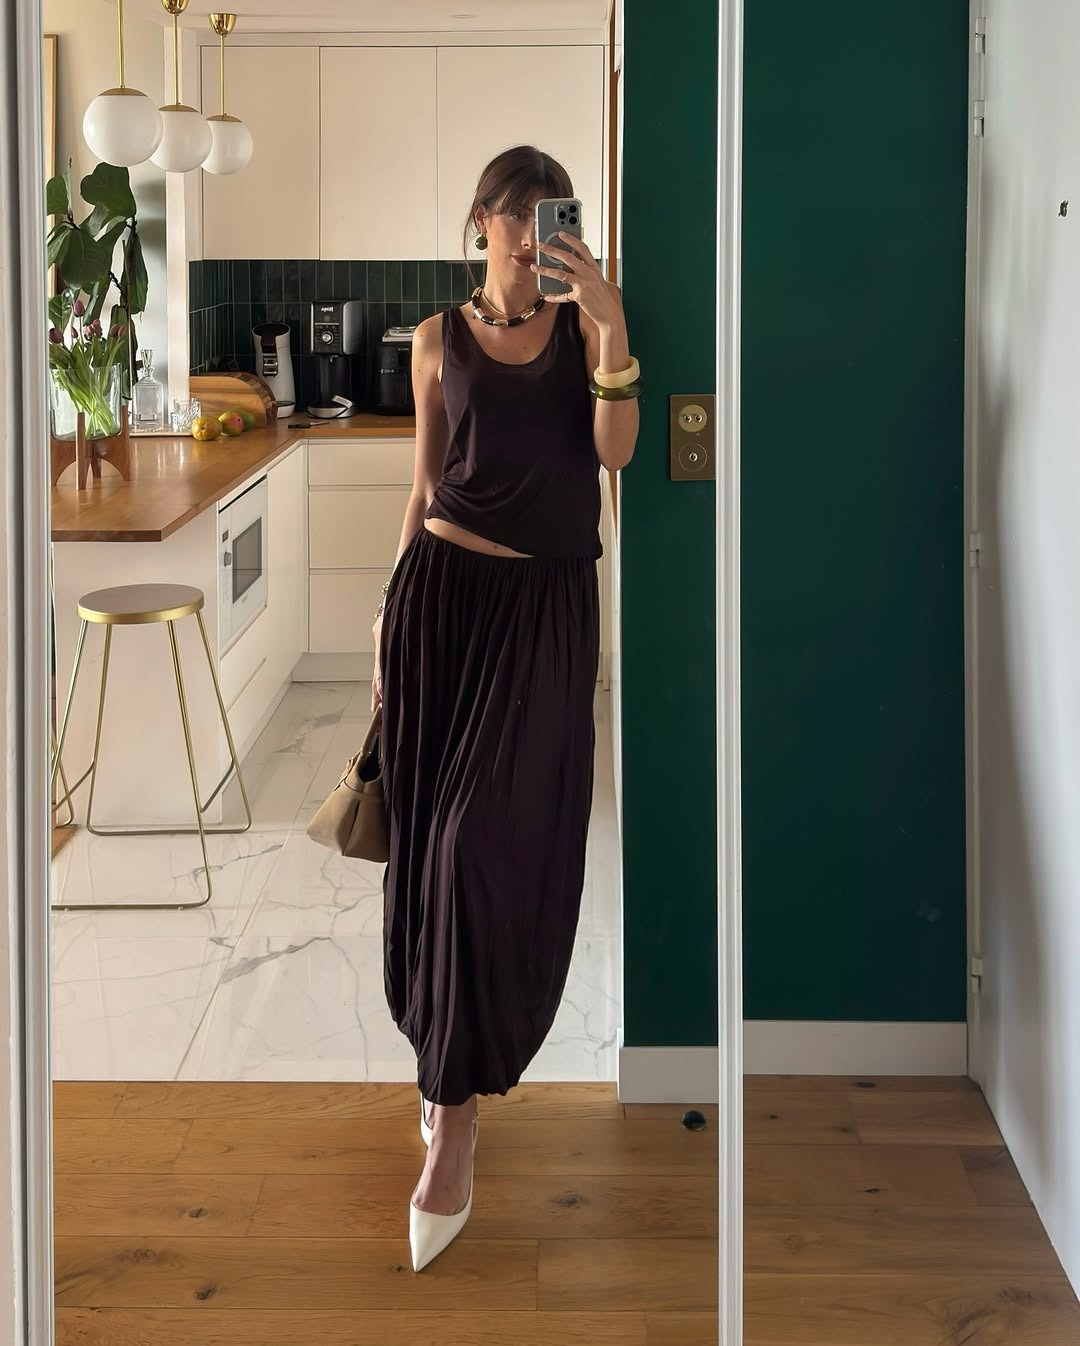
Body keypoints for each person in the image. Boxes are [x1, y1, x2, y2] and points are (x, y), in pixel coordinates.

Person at [372, 144, 640, 1272]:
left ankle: (460, 1121)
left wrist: (615, 323)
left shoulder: (585, 333)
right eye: (514, 214)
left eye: (549, 215)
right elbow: (425, 487)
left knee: (483, 846)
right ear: (480, 220)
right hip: (441, 598)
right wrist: (388, 638)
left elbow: (614, 452)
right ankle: (446, 1082)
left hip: (541, 615)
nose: (530, 233)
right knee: (430, 855)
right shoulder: (438, 342)